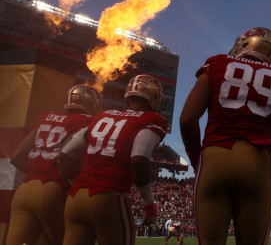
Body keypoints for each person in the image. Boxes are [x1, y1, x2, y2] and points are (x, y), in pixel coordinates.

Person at [180, 27, 271, 245]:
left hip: (216, 157)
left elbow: (187, 119)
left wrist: (196, 159)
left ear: (246, 43)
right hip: (257, 164)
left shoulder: (217, 63)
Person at [60, 74, 166, 245]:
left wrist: (74, 185)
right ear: (153, 96)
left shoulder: (102, 116)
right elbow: (139, 159)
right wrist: (149, 204)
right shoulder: (152, 120)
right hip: (109, 196)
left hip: (76, 199)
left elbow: (65, 155)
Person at [6, 84, 100, 245]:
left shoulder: (46, 118)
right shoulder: (87, 122)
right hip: (54, 189)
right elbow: (66, 155)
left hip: (25, 188)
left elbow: (16, 157)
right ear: (91, 103)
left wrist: (38, 171)